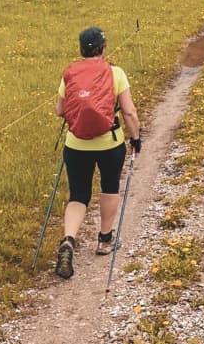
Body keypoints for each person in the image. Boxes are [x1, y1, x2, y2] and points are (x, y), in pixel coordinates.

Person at [53, 26, 142, 280]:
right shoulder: (116, 73)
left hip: (76, 144)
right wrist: (135, 137)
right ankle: (104, 240)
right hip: (109, 143)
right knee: (109, 188)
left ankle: (68, 240)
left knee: (78, 195)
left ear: (81, 50)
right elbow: (129, 112)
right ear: (104, 48)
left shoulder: (69, 74)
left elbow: (60, 110)